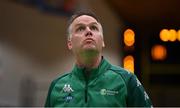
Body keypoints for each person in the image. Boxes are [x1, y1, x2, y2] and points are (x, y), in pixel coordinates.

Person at [45, 10, 153, 107]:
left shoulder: (127, 80)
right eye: (80, 28)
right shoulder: (57, 86)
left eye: (94, 27)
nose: (88, 31)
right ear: (69, 43)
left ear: (103, 41)